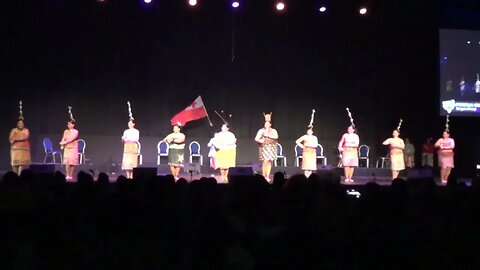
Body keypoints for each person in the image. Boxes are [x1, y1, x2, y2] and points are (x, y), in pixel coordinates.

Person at [255, 113, 278, 182]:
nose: (266, 125)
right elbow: (256, 138)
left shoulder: (273, 130)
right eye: (265, 124)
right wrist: (261, 140)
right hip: (264, 147)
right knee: (265, 161)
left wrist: (268, 135)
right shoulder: (261, 130)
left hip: (271, 147)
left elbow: (276, 136)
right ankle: (264, 175)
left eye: (268, 124)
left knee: (270, 161)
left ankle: (267, 175)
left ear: (270, 124)